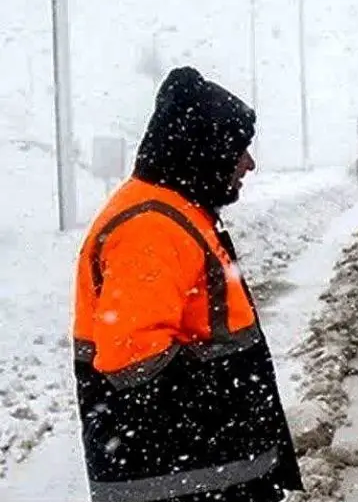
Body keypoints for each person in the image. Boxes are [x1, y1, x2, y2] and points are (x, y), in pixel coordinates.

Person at [71, 66, 304, 502]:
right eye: (239, 149)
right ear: (206, 148)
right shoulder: (151, 227)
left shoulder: (176, 210)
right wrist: (228, 411)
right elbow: (133, 361)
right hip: (184, 483)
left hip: (202, 477)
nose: (249, 164)